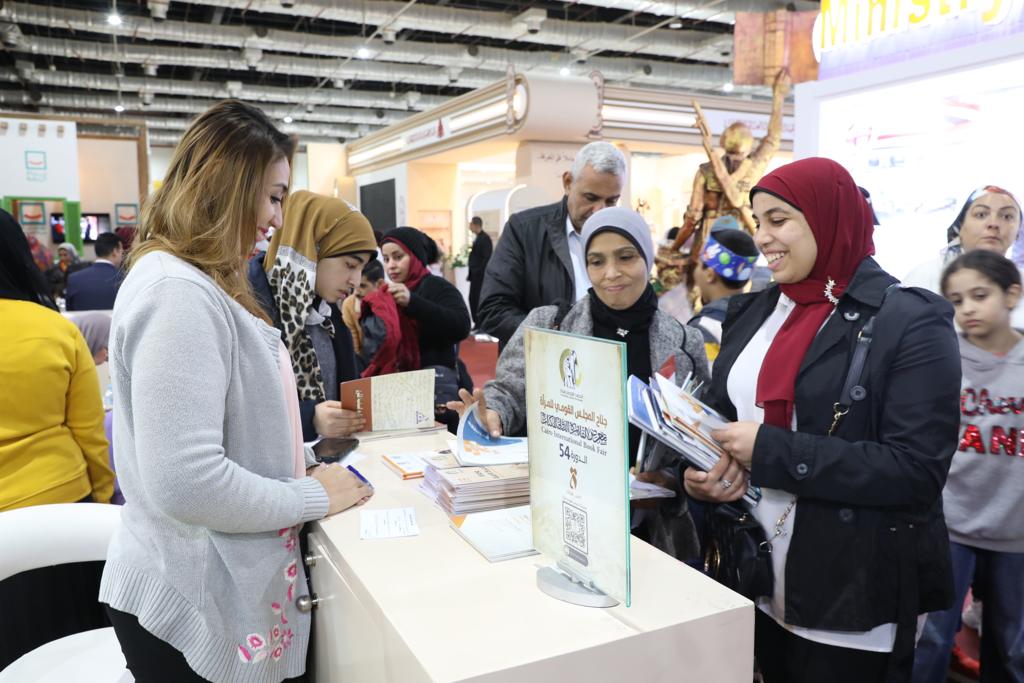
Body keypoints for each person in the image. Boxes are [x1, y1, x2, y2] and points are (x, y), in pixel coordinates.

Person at [99, 99, 373, 683]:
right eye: (272, 196)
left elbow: (227, 435)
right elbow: (188, 481)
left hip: (203, 578)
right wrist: (312, 496)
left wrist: (299, 463)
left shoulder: (194, 282)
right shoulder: (177, 292)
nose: (276, 219)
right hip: (191, 591)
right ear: (227, 186)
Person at [690, 157, 960, 682]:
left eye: (779, 220)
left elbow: (915, 471)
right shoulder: (756, 311)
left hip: (849, 599)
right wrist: (702, 473)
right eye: (758, 221)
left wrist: (772, 451)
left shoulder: (909, 320)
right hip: (751, 573)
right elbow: (725, 418)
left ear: (827, 218)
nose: (762, 237)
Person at [450, 207, 710, 563]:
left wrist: (671, 480)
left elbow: (697, 441)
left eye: (626, 257)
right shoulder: (548, 325)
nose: (611, 273)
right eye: (596, 261)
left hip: (650, 533)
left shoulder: (685, 343)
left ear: (647, 259)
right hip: (561, 514)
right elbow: (509, 390)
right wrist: (492, 412)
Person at [0, 208, 115, 668]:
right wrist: (102, 508)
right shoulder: (55, 328)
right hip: (63, 514)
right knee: (78, 654)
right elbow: (91, 436)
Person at [912, 250, 1024, 683]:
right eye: (957, 301)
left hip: (1016, 533)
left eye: (980, 295)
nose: (968, 309)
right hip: (949, 526)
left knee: (1013, 645)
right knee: (931, 637)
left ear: (1011, 294)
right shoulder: (942, 357)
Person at [249, 190, 377, 442]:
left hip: (332, 459)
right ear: (312, 250)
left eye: (362, 269)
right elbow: (244, 410)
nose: (355, 281)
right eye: (350, 265)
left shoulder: (328, 316)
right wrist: (311, 419)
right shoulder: (249, 309)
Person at [477, 141, 627, 349]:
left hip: (608, 359)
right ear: (568, 183)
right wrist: (555, 335)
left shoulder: (625, 236)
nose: (599, 210)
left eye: (611, 201)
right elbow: (493, 310)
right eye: (590, 198)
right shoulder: (524, 229)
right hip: (540, 360)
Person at [373, 227, 470, 405]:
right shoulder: (389, 293)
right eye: (386, 259)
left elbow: (462, 326)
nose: (391, 265)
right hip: (399, 387)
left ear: (415, 256)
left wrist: (413, 302)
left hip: (435, 388)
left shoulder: (437, 286)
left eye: (398, 257)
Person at [904, 186, 1023, 326]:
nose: (994, 224)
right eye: (981, 215)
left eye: (1007, 216)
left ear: (1018, 232)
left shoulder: (1020, 281)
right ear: (960, 226)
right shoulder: (925, 277)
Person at [688, 225, 759, 365]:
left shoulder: (703, 328)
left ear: (709, 275)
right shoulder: (759, 316)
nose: (695, 271)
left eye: (699, 264)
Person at [341, 257, 386, 360]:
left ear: (380, 284)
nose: (356, 292)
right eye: (355, 285)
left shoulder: (395, 302)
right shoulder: (350, 304)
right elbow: (354, 349)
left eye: (363, 286)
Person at [66, 232, 125, 311]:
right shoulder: (124, 279)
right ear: (115, 252)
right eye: (121, 252)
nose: (122, 256)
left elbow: (69, 312)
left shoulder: (73, 279)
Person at [466, 216, 492, 328]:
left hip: (480, 276)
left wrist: (477, 271)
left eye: (471, 225)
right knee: (473, 298)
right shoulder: (479, 238)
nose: (469, 227)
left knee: (477, 298)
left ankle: (480, 323)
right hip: (476, 275)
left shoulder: (485, 239)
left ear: (476, 225)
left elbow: (486, 259)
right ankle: (477, 322)